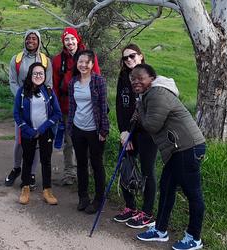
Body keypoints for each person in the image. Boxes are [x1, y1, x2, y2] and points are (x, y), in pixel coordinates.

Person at [129, 64, 205, 250]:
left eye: (141, 78)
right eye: (133, 79)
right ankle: (160, 230)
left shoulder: (157, 94)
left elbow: (151, 125)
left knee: (193, 194)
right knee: (167, 188)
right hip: (176, 149)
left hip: (187, 147)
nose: (136, 81)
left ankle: (194, 238)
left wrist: (139, 108)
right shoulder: (148, 95)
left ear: (152, 79)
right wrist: (140, 104)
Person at [113, 44, 158, 229]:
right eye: (125, 58)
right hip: (127, 133)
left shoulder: (149, 77)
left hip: (146, 132)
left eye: (132, 56)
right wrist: (124, 132)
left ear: (141, 56)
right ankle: (130, 207)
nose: (129, 60)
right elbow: (119, 106)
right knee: (125, 166)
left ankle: (147, 213)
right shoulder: (123, 78)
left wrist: (136, 129)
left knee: (148, 172)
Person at [52, 27, 101, 185]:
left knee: (90, 139)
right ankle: (69, 174)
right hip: (67, 106)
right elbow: (54, 85)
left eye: (72, 38)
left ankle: (90, 172)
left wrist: (99, 104)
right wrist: (56, 108)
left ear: (77, 39)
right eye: (66, 39)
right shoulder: (58, 60)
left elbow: (98, 77)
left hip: (88, 106)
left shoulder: (89, 56)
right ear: (63, 42)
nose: (70, 42)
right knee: (69, 141)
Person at [5, 29, 53, 189]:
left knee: (37, 141)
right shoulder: (16, 59)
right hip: (22, 107)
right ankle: (16, 168)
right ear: (24, 40)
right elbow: (12, 81)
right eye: (28, 38)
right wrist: (21, 98)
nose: (31, 41)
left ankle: (31, 173)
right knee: (20, 140)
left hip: (40, 108)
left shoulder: (45, 61)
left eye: (34, 38)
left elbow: (49, 84)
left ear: (39, 42)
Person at [67, 50, 109, 214]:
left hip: (95, 130)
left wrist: (103, 130)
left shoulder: (98, 81)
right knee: (81, 164)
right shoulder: (73, 82)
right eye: (80, 62)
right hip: (78, 128)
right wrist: (70, 127)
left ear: (92, 64)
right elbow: (72, 107)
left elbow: (103, 107)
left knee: (97, 164)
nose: (83, 65)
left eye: (87, 62)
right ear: (76, 64)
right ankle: (83, 197)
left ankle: (99, 199)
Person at [14, 62, 62, 205]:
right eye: (35, 73)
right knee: (27, 160)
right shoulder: (22, 92)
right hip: (28, 132)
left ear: (45, 75)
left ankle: (47, 190)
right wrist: (28, 130)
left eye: (41, 73)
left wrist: (42, 129)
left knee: (46, 161)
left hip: (45, 132)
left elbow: (57, 113)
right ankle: (25, 187)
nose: (38, 76)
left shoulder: (48, 91)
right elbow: (17, 113)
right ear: (30, 74)